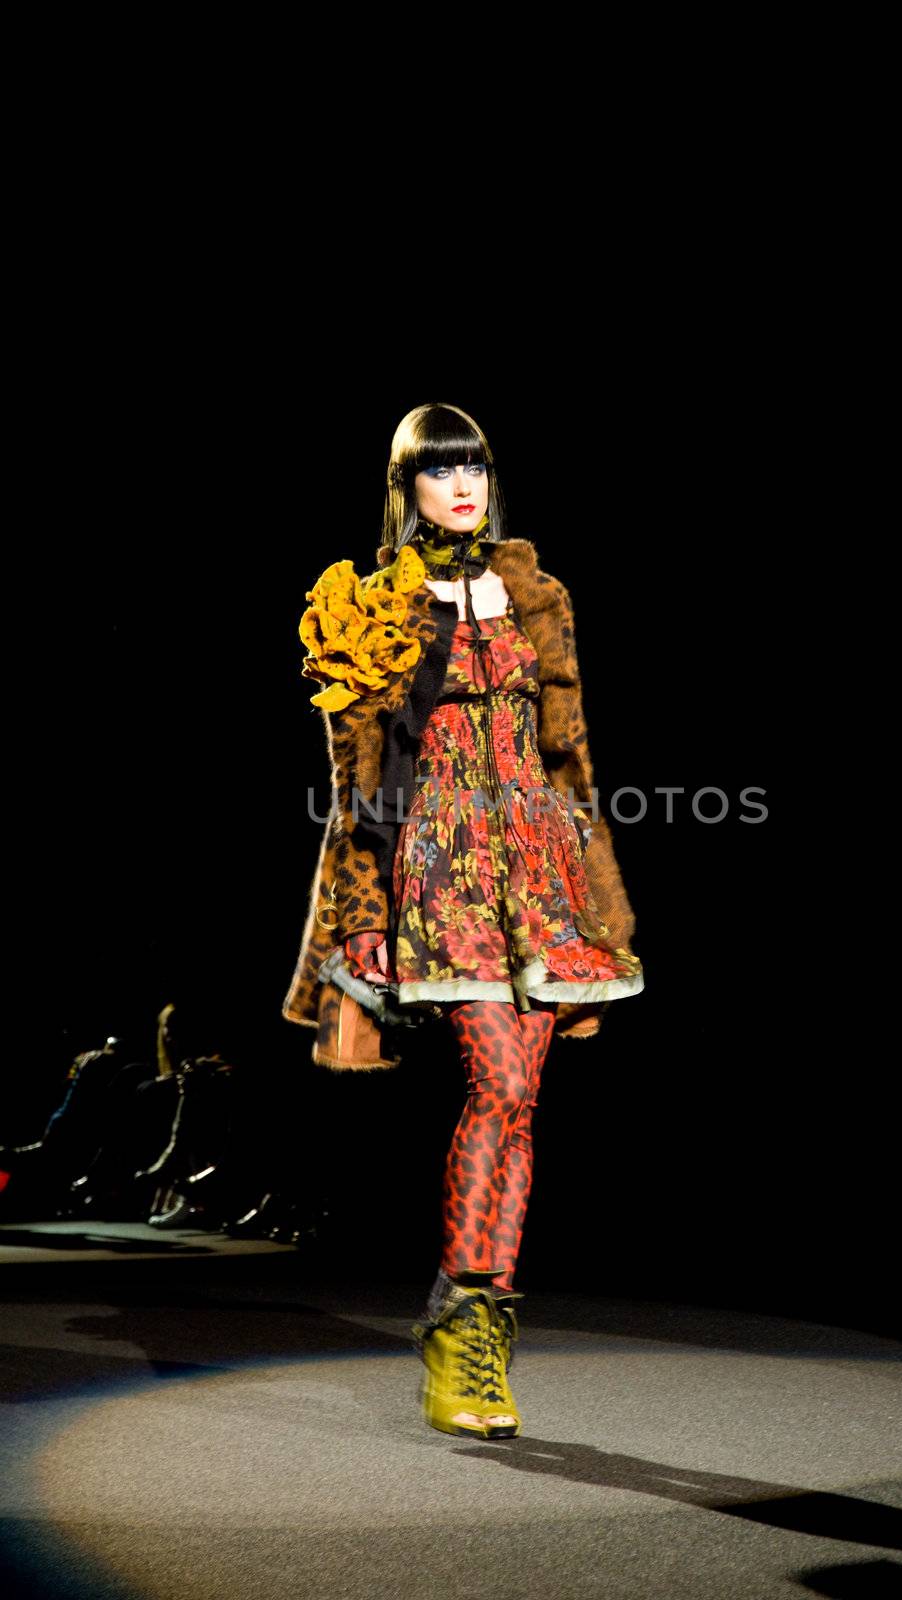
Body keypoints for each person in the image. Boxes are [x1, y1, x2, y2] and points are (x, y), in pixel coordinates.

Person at [285, 402, 644, 1438]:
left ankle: (472, 1325)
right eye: (438, 470)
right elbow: (356, 776)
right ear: (404, 487)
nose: (461, 486)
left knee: (520, 1101)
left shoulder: (538, 594)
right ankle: (460, 1321)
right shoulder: (366, 604)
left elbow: (570, 753)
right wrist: (359, 914)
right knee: (495, 1079)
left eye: (474, 466)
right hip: (436, 866)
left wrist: (595, 896)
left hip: (536, 868)